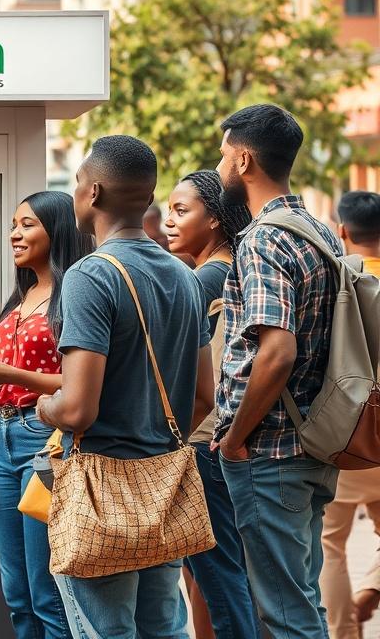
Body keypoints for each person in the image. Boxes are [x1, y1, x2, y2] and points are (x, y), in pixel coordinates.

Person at [37, 135, 214, 638]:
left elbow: (77, 411)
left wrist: (44, 407)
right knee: (164, 628)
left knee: (103, 630)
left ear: (92, 193)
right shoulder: (184, 276)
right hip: (165, 486)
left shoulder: (90, 275)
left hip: (101, 490)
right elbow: (204, 396)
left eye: (75, 184)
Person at [214, 104, 342, 639]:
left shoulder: (264, 239)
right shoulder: (320, 232)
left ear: (244, 160)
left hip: (269, 453)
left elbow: (277, 351)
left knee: (287, 616)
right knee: (301, 600)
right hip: (314, 441)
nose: (218, 167)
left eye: (222, 155)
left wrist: (236, 440)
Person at [0, 190, 92, 639]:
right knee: (16, 594)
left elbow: (81, 384)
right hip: (4, 441)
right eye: (14, 224)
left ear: (57, 230)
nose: (15, 233)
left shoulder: (74, 292)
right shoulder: (21, 295)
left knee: (47, 591)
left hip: (45, 439)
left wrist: (8, 371)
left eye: (28, 224)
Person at [164, 170, 259, 639]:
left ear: (216, 220)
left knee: (217, 574)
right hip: (223, 437)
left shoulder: (206, 278)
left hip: (204, 438)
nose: (168, 222)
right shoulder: (230, 269)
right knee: (216, 573)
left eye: (182, 212)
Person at [320, 191, 380, 639]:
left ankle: (343, 634)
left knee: (331, 545)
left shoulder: (339, 282)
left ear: (342, 231)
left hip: (351, 431)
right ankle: (373, 588)